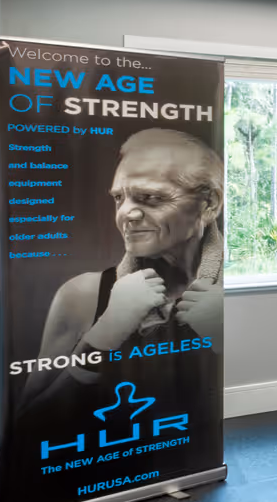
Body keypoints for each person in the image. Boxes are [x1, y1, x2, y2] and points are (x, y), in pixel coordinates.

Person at [24, 128, 224, 412]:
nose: (125, 214)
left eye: (150, 197)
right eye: (119, 198)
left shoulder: (234, 290)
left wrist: (223, 337)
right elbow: (27, 424)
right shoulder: (83, 295)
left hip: (207, 453)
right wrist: (103, 334)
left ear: (210, 204)